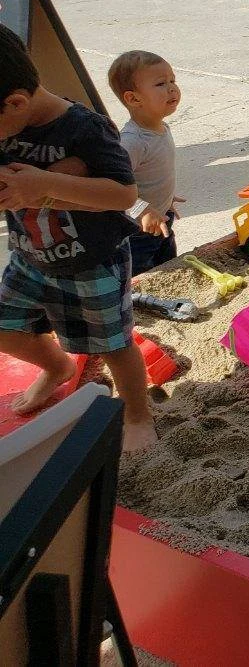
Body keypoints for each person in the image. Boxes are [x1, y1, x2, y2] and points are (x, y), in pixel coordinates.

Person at [0, 26, 156, 453]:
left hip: (93, 261)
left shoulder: (84, 128)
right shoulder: (8, 123)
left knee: (113, 345)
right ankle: (57, 366)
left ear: (15, 103)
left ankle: (137, 414)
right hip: (30, 257)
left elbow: (123, 194)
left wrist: (47, 186)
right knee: (4, 326)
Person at [107, 52, 183, 275]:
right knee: (142, 276)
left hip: (162, 218)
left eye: (173, 80)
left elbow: (150, 172)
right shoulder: (133, 141)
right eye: (161, 84)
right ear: (133, 99)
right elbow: (112, 187)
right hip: (138, 231)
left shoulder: (161, 127)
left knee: (168, 267)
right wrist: (141, 210)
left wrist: (166, 197)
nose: (172, 88)